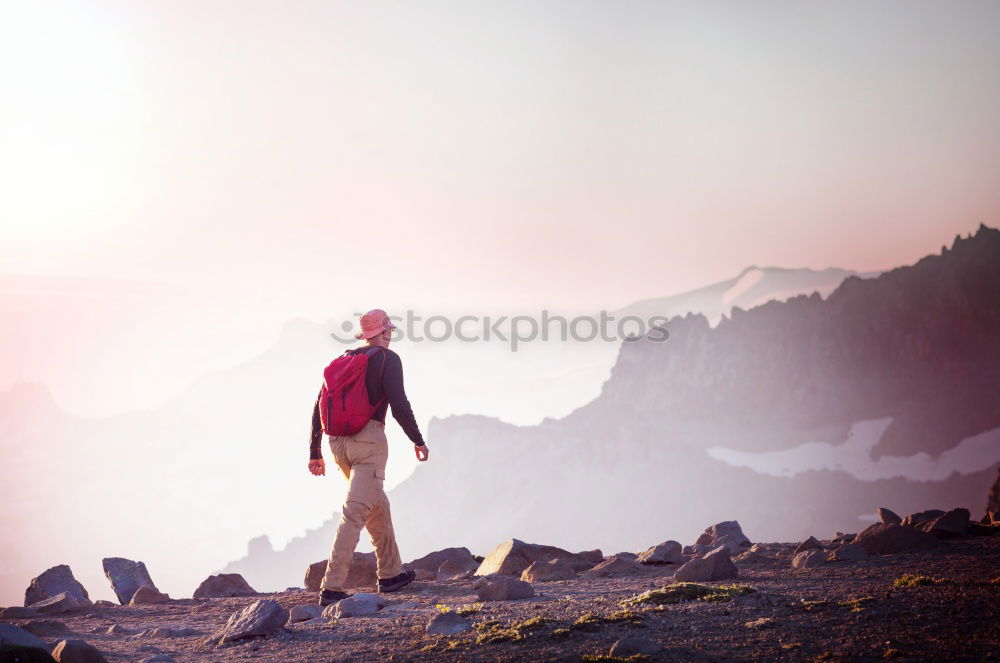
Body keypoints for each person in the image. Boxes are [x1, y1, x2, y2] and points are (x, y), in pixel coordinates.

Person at [308, 309, 429, 606]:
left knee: (376, 504)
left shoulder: (346, 359)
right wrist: (417, 440)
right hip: (368, 442)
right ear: (385, 331)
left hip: (338, 444)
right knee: (355, 512)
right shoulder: (388, 359)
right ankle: (331, 586)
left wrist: (316, 451)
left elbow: (319, 404)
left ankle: (390, 574)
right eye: (389, 329)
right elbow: (399, 402)